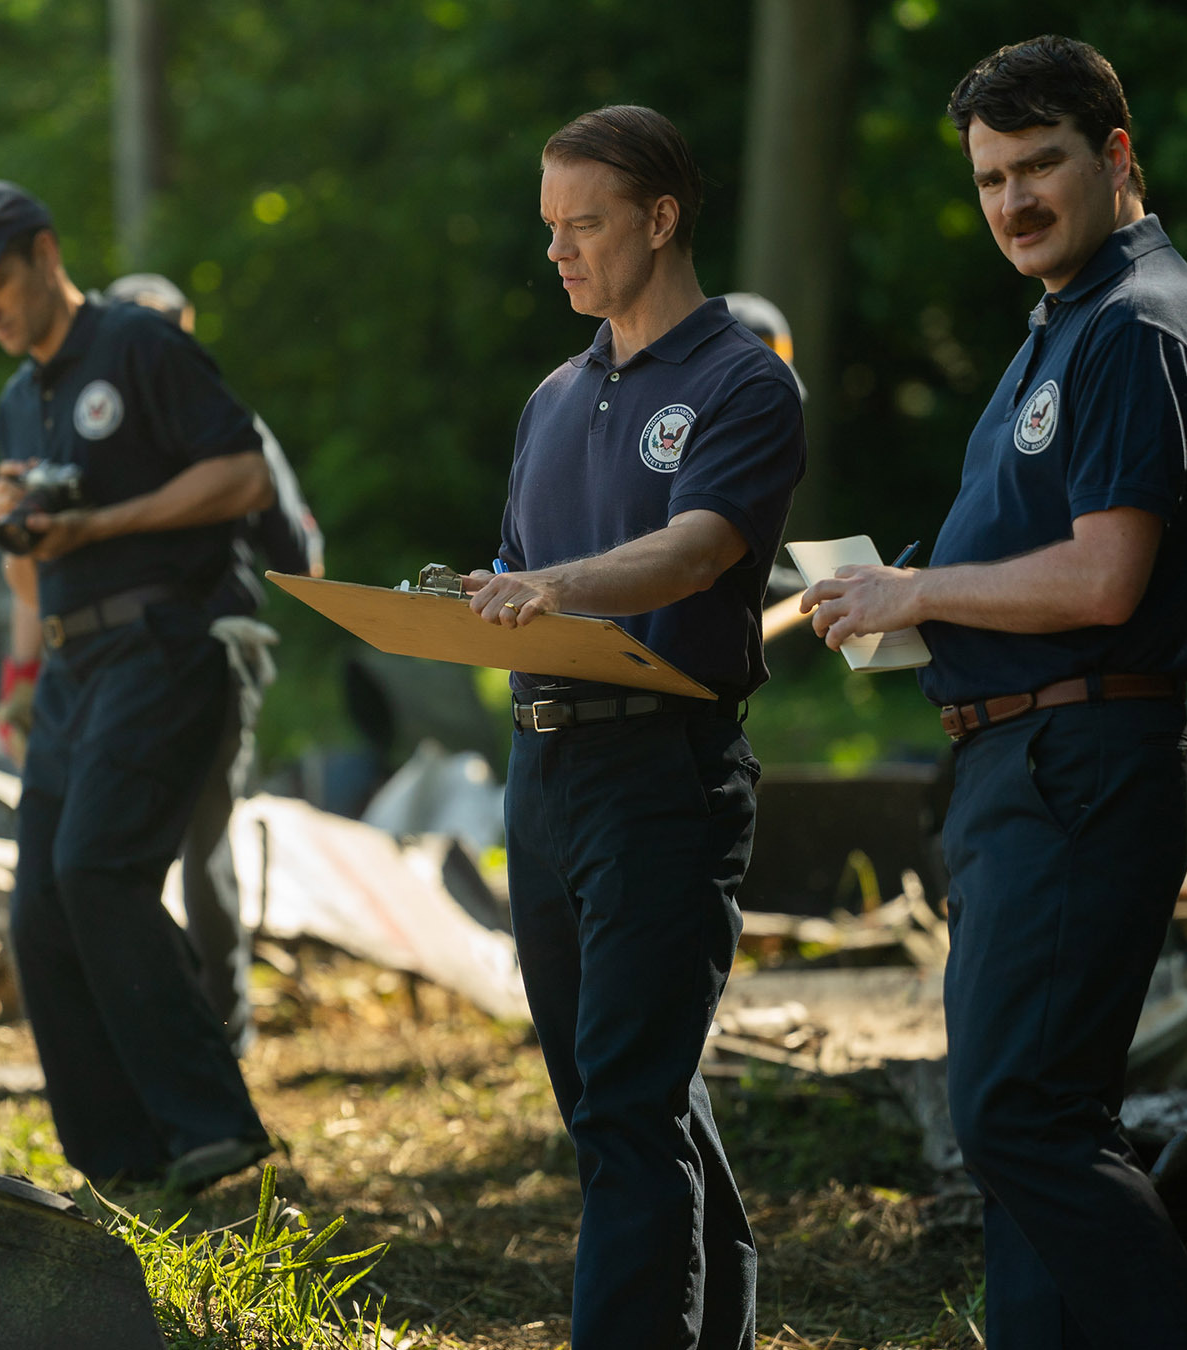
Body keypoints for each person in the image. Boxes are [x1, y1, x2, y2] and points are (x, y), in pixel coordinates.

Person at [802, 35, 1187, 1349]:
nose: (1013, 202)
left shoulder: (1136, 322)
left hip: (1069, 772)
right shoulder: (1070, 317)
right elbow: (1117, 584)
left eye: (1039, 166)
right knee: (1025, 1132)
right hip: (1049, 760)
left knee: (1019, 1120)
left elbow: (1107, 578)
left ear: (1116, 155)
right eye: (990, 179)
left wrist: (918, 595)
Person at [464, 106, 805, 1350]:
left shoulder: (743, 381)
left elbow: (697, 551)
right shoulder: (553, 395)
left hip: (664, 772)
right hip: (542, 769)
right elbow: (518, 566)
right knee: (612, 1095)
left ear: (660, 221)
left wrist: (555, 588)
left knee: (626, 1104)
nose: (556, 249)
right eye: (549, 225)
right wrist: (474, 602)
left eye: (585, 224)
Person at [0, 178, 273, 1194]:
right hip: (71, 666)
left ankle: (211, 1123)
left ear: (45, 255)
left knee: (98, 872)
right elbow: (34, 572)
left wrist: (103, 523)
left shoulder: (138, 345)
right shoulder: (17, 399)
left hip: (164, 644)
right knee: (38, 911)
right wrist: (21, 542)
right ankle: (119, 1159)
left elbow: (244, 475)